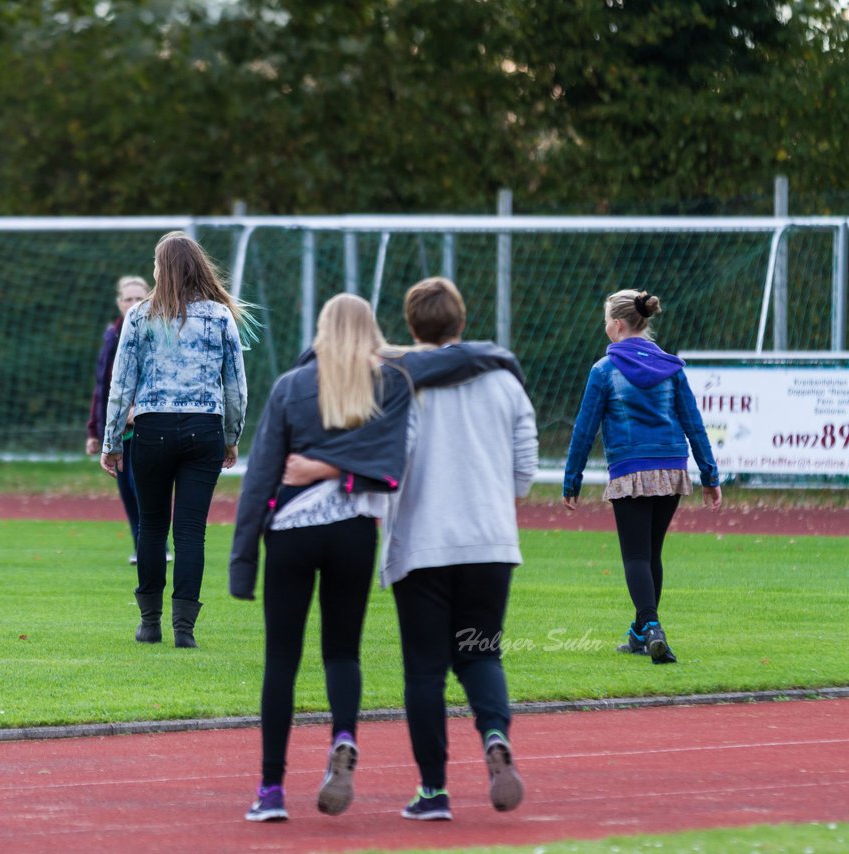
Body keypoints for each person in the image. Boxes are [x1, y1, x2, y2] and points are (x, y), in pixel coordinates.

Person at [230, 290, 529, 823]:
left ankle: (285, 790)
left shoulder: (336, 385)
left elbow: (267, 477)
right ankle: (463, 736)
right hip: (417, 534)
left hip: (352, 536)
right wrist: (499, 355)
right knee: (381, 653)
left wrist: (243, 559)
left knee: (305, 661)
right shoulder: (415, 382)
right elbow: (398, 463)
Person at [101, 231, 251, 649]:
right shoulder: (219, 317)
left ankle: (150, 623)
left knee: (151, 525)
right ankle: (185, 629)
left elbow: (121, 385)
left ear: (162, 268)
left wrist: (112, 440)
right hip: (204, 428)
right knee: (190, 531)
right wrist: (231, 436)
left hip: (152, 428)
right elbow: (236, 386)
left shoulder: (140, 316)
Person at [563, 288, 722, 665]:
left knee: (635, 555)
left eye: (605, 322)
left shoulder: (604, 371)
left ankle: (651, 627)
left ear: (617, 325)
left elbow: (584, 430)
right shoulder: (672, 367)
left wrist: (572, 480)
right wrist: (710, 476)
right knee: (651, 553)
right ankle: (639, 633)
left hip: (631, 471)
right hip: (671, 470)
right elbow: (693, 424)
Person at [86, 276, 167, 565]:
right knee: (127, 490)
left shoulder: (157, 331)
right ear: (119, 303)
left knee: (141, 485)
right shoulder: (112, 336)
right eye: (128, 299)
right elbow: (103, 385)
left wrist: (139, 407)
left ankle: (158, 544)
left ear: (150, 298)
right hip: (119, 428)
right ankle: (140, 547)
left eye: (139, 298)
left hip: (147, 424)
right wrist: (95, 428)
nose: (133, 304)